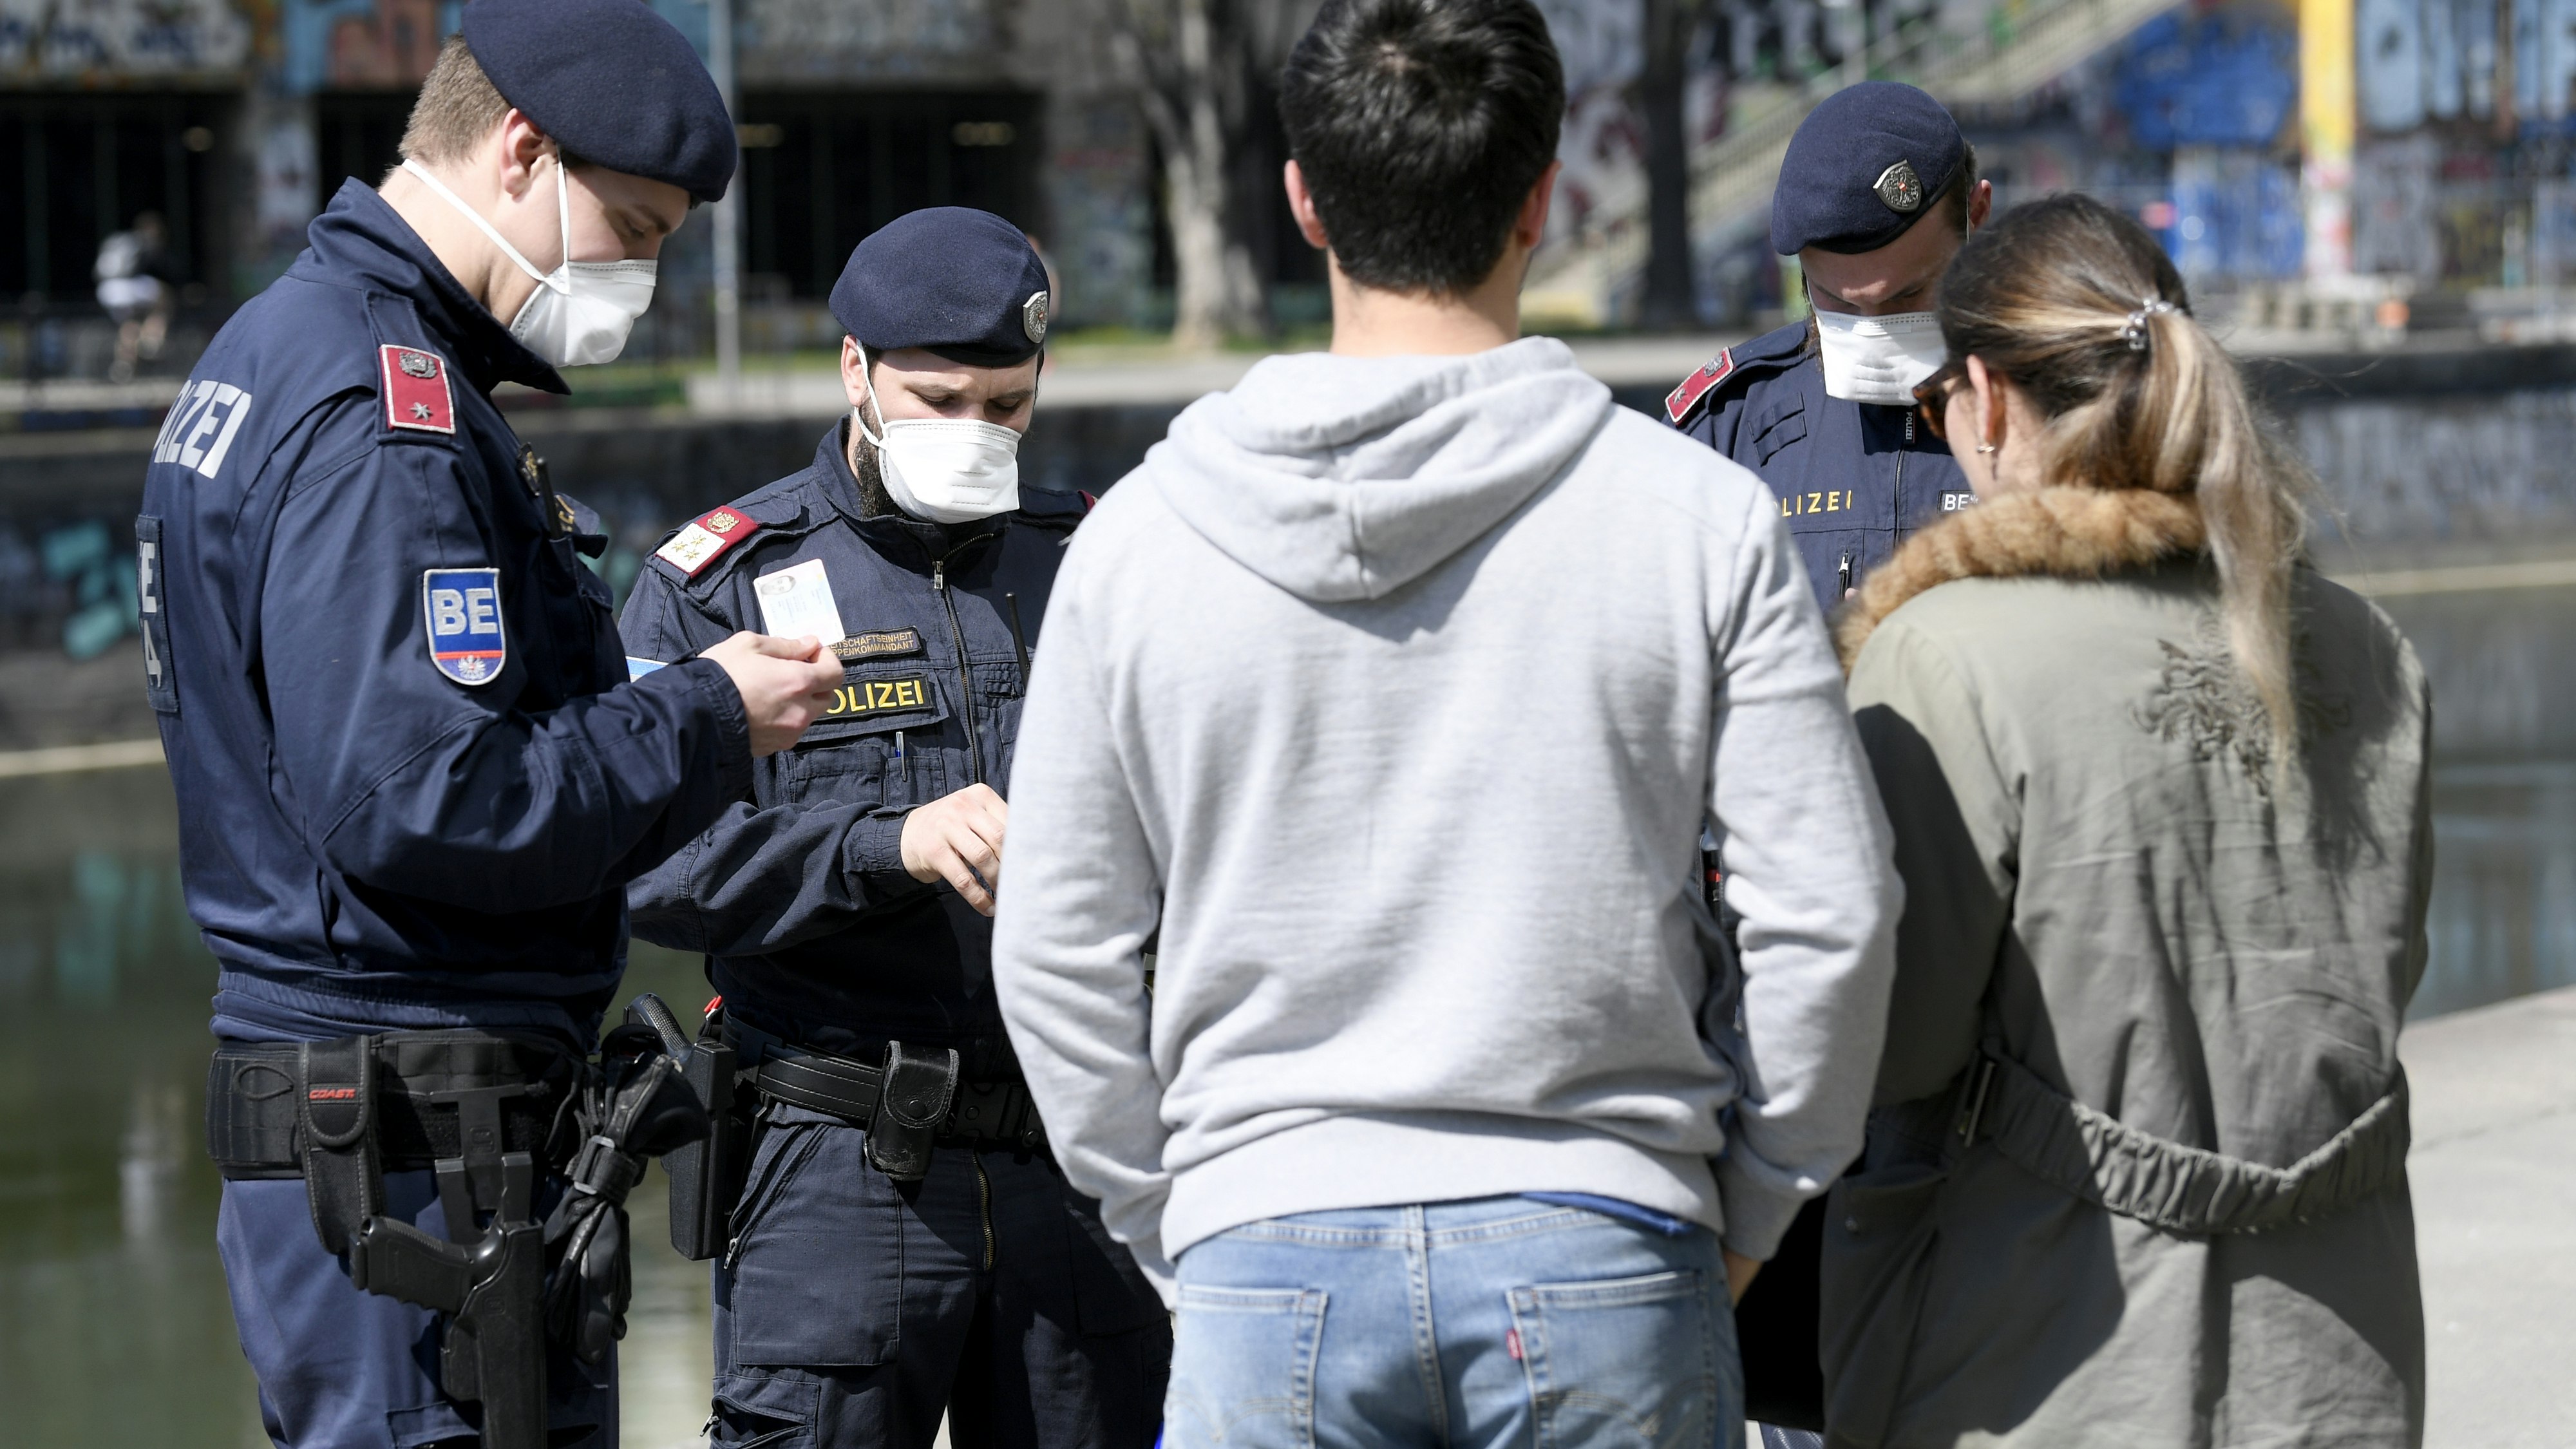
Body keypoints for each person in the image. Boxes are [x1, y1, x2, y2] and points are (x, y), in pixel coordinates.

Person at [990, 3, 1900, 1445]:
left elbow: (1052, 948)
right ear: (1542, 192)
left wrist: (1176, 1221)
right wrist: (1754, 1200)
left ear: (1298, 196)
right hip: (1609, 1237)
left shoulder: (1138, 542)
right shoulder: (1693, 519)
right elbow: (1829, 916)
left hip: (1259, 1252)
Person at [149, 4, 846, 1446]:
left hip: (385, 1124)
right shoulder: (379, 414)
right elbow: (425, 798)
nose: (645, 275)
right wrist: (707, 714)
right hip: (404, 1145)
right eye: (639, 228)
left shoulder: (281, 346)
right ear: (522, 152)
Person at [1822, 193, 2429, 1447]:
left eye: (1935, 401)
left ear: (1984, 400)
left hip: (2052, 1352)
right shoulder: (2368, 649)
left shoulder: (1942, 655)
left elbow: (1892, 1053)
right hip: (2341, 1344)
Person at [618, 208, 1171, 1449]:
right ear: (857, 369)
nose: (975, 433)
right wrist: (889, 844)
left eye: (1008, 404)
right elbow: (644, 872)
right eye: (937, 398)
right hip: (836, 1160)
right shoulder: (721, 587)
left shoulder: (1099, 562)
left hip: (1076, 1154)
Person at [1666, 82, 1992, 615]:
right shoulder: (1728, 424)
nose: (1875, 329)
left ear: (1976, 214)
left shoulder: (2052, 407)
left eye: (1909, 294)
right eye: (1837, 300)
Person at [97, 211, 175, 383]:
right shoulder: (143, 240)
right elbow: (163, 268)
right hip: (127, 286)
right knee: (164, 294)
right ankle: (152, 339)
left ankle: (124, 365)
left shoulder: (117, 240)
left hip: (106, 291)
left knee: (130, 324)